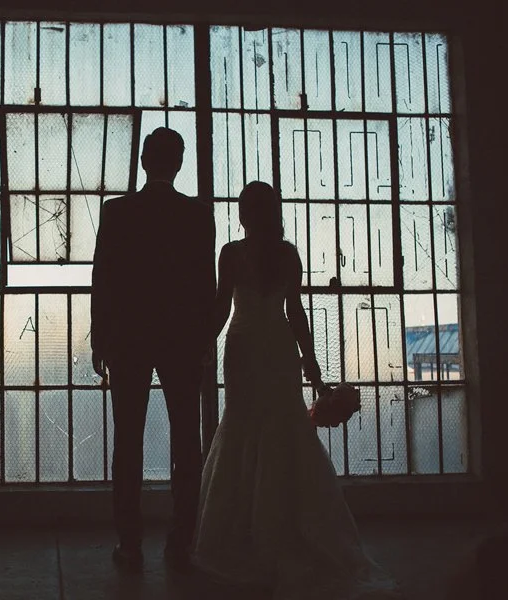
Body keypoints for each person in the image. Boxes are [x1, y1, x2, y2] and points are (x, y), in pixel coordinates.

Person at [192, 181, 402, 598]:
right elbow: (296, 312)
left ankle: (244, 533)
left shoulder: (232, 255)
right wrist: (312, 367)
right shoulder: (288, 255)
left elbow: (220, 308)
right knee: (284, 431)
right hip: (278, 348)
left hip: (244, 349)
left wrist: (198, 348)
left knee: (241, 429)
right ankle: (288, 525)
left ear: (242, 215)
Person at [91, 127, 216, 572]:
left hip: (127, 340)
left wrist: (99, 337)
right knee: (187, 440)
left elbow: (103, 278)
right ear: (179, 164)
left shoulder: (117, 212)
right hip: (182, 342)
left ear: (143, 161)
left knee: (128, 440)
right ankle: (181, 540)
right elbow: (206, 287)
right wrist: (204, 342)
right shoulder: (199, 216)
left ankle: (129, 541)